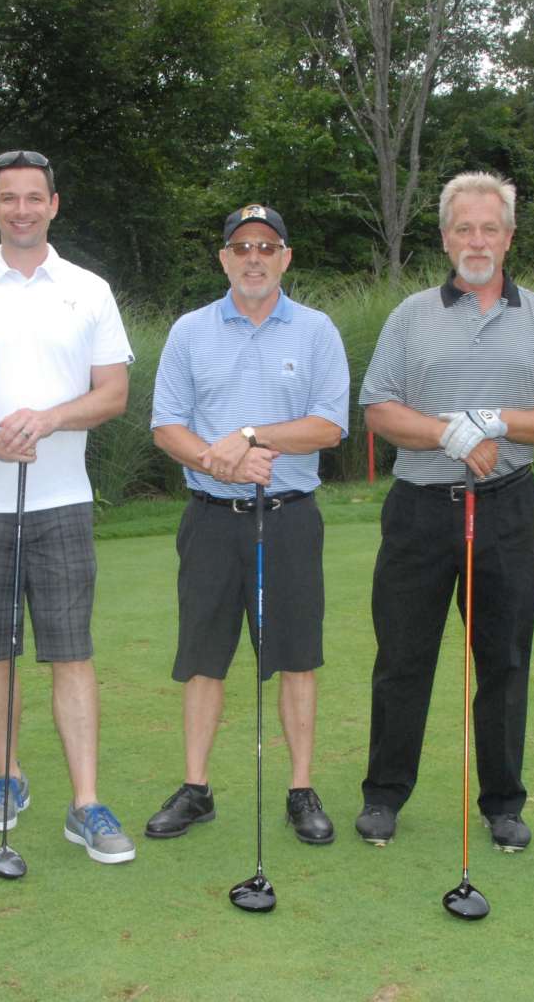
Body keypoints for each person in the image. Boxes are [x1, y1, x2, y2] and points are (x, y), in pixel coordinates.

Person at [354, 171, 534, 852]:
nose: (477, 241)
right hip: (419, 510)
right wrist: (447, 434)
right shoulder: (411, 315)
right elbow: (379, 407)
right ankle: (384, 794)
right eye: (464, 228)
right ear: (445, 237)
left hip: (507, 509)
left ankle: (503, 803)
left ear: (509, 237)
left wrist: (498, 421)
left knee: (504, 659)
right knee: (403, 656)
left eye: (490, 228)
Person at [0, 150, 138, 864]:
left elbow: (113, 393)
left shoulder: (88, 289)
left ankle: (86, 801)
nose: (22, 209)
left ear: (54, 204)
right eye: (8, 197)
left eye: (34, 197)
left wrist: (47, 420)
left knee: (71, 650)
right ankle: (8, 775)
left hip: (62, 498)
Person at [144, 204, 349, 845]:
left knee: (296, 659)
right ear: (224, 258)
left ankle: (300, 789)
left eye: (266, 246)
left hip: (288, 518)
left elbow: (329, 426)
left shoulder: (316, 330)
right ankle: (196, 788)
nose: (253, 258)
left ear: (285, 258)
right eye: (241, 247)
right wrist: (220, 460)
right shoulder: (190, 331)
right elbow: (166, 426)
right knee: (203, 659)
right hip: (210, 519)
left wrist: (253, 436)